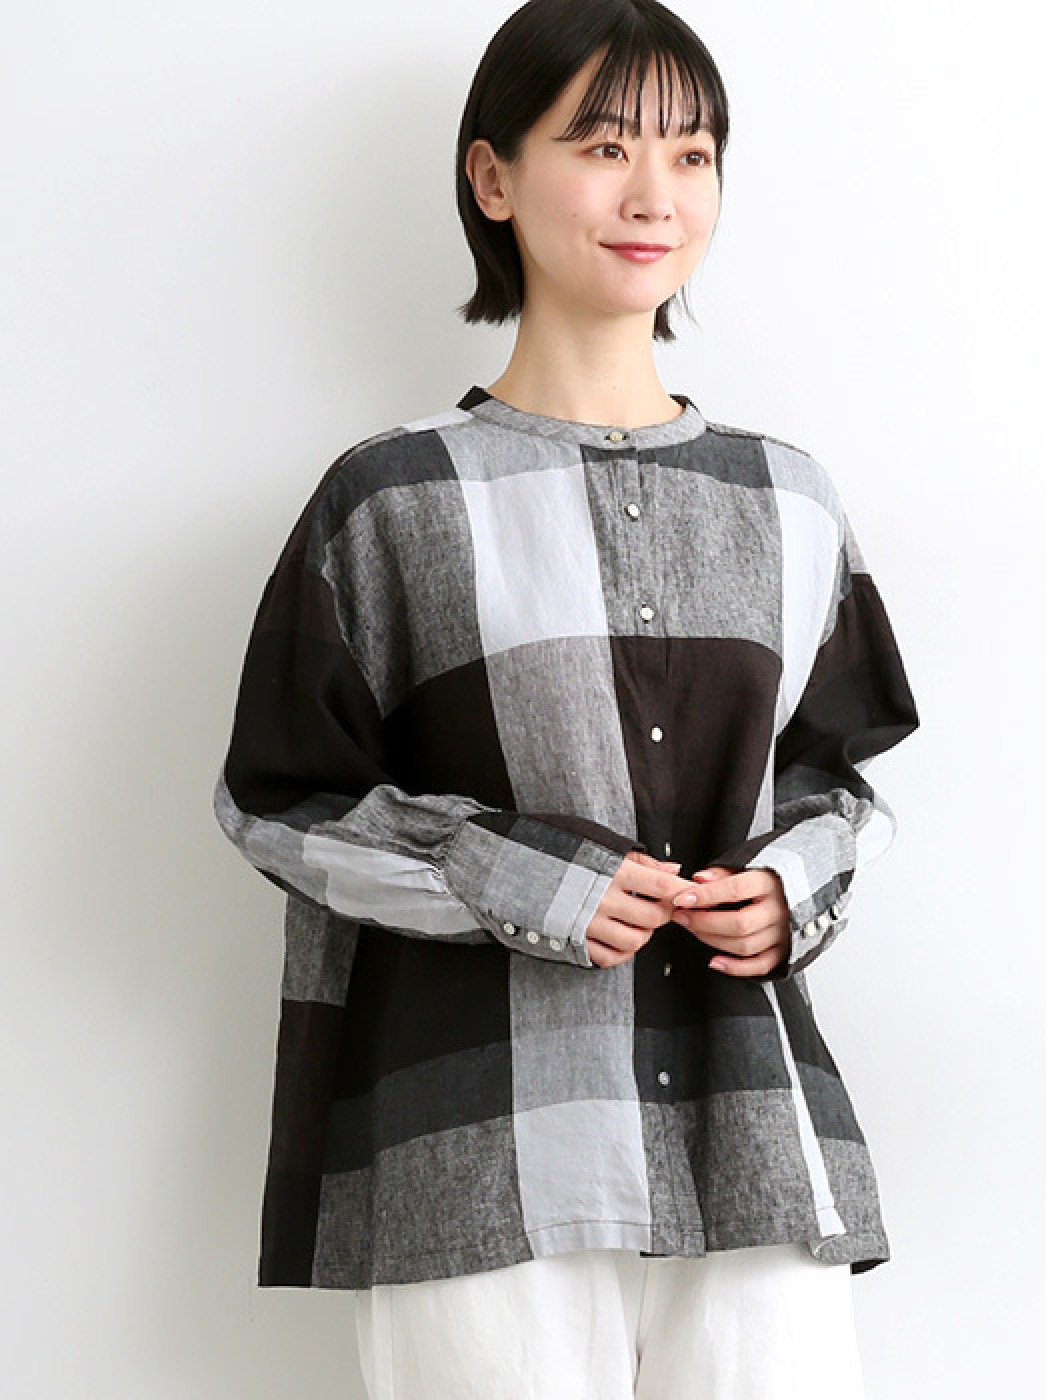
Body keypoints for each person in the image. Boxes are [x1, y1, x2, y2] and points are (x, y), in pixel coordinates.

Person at [212, 1, 921, 1396]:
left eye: (692, 153)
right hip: (481, 1139)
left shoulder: (789, 497)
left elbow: (836, 780)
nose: (656, 194)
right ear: (493, 178)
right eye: (604, 147)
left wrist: (791, 887)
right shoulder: (392, 496)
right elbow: (278, 800)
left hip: (755, 1135)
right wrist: (525, 880)